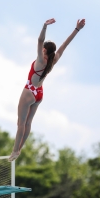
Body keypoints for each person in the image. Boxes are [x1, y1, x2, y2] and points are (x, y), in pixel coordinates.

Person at [8, 18, 85, 161]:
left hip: (29, 91)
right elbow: (65, 44)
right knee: (28, 123)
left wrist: (44, 26)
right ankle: (19, 149)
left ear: (44, 49)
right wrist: (77, 29)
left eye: (42, 47)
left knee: (21, 123)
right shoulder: (53, 60)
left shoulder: (40, 60)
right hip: (39, 93)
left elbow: (39, 40)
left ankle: (14, 151)